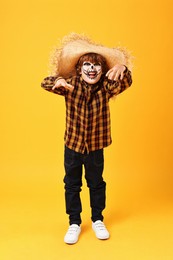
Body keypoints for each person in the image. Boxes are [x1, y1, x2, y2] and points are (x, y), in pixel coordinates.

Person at [41, 33, 132, 244]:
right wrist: (58, 80)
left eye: (96, 65)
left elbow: (123, 83)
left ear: (103, 69)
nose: (92, 69)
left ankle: (97, 219)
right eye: (88, 64)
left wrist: (123, 69)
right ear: (80, 68)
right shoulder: (70, 84)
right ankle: (74, 222)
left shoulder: (106, 88)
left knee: (96, 183)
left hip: (95, 147)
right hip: (72, 146)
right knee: (72, 184)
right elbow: (46, 83)